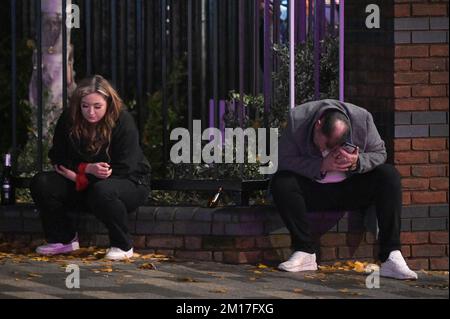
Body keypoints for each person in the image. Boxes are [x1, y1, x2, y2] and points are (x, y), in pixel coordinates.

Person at [270, 99, 418, 280]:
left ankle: (391, 255)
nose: (330, 150)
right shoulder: (298, 119)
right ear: (318, 125)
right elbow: (284, 159)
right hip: (313, 189)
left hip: (350, 188)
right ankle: (305, 251)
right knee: (282, 182)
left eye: (338, 144)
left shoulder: (362, 118)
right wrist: (321, 164)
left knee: (389, 175)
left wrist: (357, 162)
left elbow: (380, 153)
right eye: (327, 144)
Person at [30, 75, 151, 261]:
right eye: (85, 106)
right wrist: (86, 169)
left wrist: (81, 179)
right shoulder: (69, 118)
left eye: (97, 106)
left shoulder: (123, 121)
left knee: (102, 190)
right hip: (83, 182)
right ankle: (64, 239)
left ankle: (123, 244)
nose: (91, 112)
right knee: (42, 182)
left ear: (108, 103)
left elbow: (125, 167)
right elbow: (58, 157)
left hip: (128, 182)